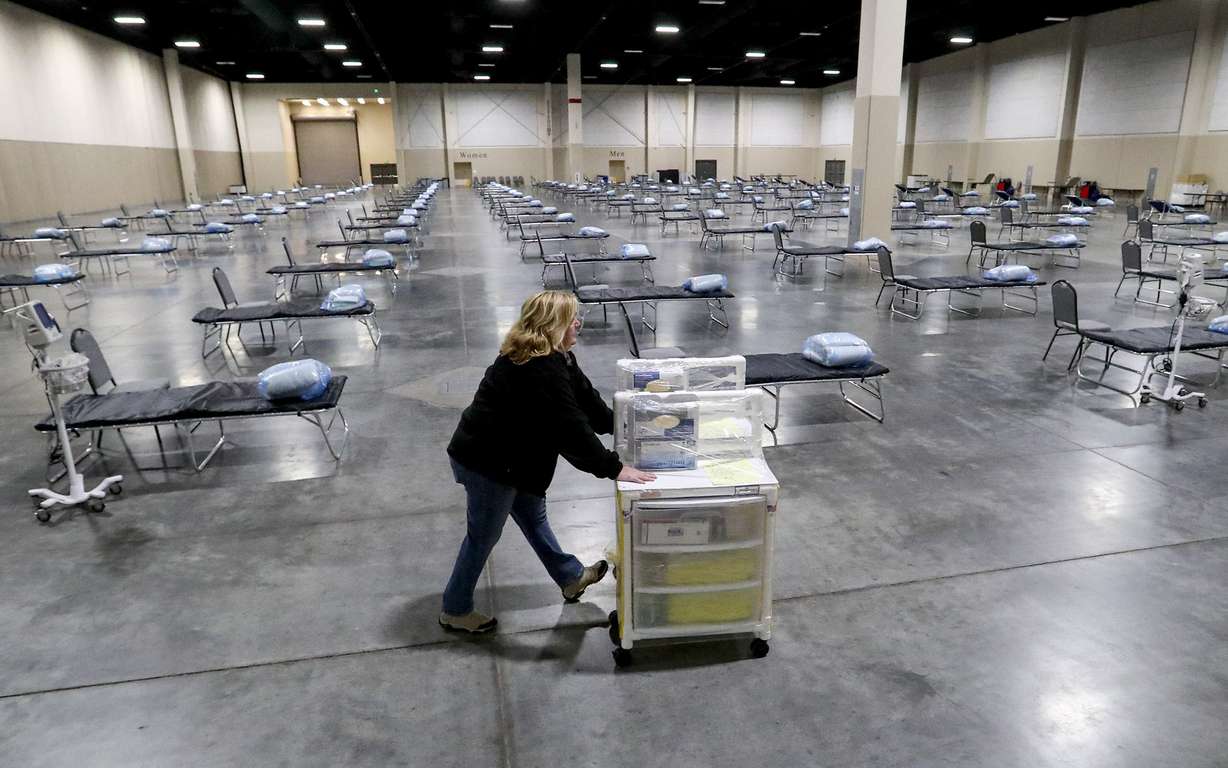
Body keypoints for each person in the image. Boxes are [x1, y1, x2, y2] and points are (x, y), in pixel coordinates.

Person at [440, 290, 656, 633]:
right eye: (572, 319)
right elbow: (570, 427)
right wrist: (615, 468)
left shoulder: (557, 356)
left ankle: (571, 577)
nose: (578, 324)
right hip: (489, 464)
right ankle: (454, 609)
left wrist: (628, 425)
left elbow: (587, 402)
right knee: (482, 538)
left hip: (515, 461)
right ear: (554, 325)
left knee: (534, 518)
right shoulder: (537, 368)